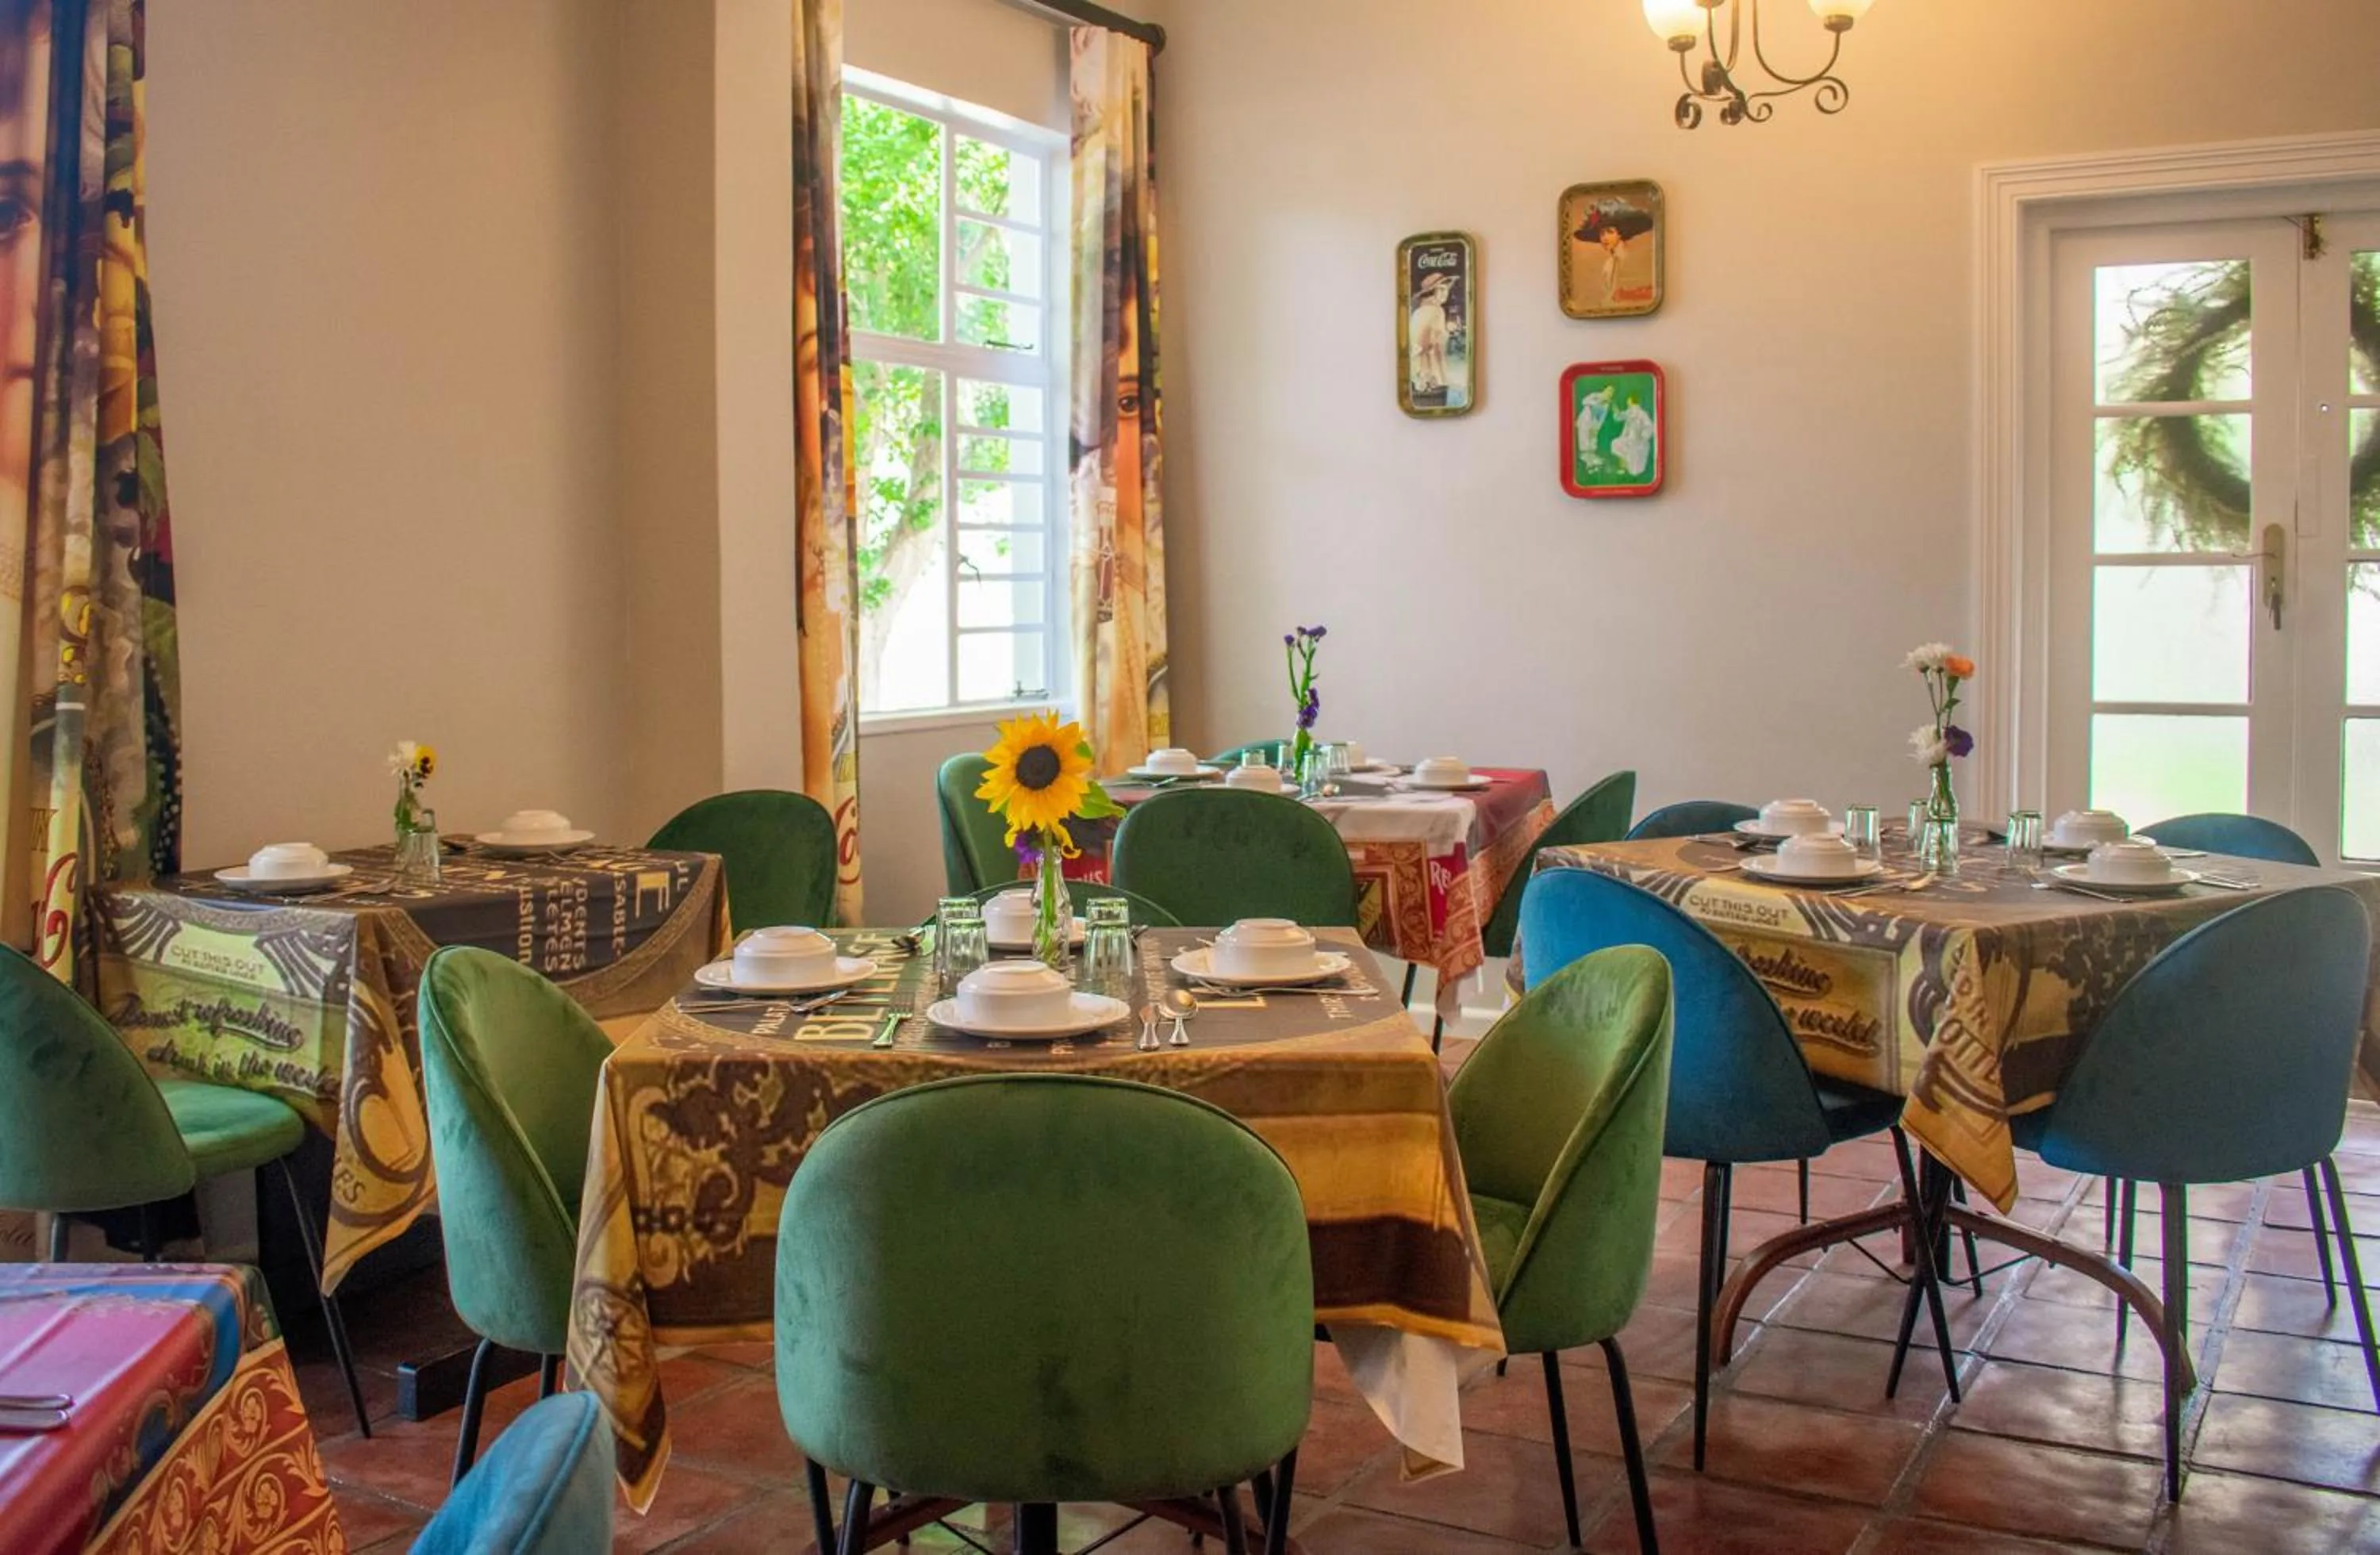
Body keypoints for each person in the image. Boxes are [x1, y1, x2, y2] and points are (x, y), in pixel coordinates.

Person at [1407, 271, 1454, 396]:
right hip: (1432, 368)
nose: (1446, 293)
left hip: (1417, 368)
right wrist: (1448, 332)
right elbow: (1437, 343)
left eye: (1447, 289)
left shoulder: (1419, 311)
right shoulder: (1437, 311)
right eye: (1442, 290)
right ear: (1433, 292)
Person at [1613, 393, 1657, 478]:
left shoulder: (1642, 414)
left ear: (1632, 402)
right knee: (1617, 444)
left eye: (1629, 401)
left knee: (1634, 457)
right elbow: (1619, 417)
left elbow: (1649, 426)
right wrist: (1616, 410)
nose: (1628, 403)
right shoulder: (1629, 412)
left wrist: (1643, 436)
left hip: (1638, 441)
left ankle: (1632, 472)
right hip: (1629, 439)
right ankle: (1624, 468)